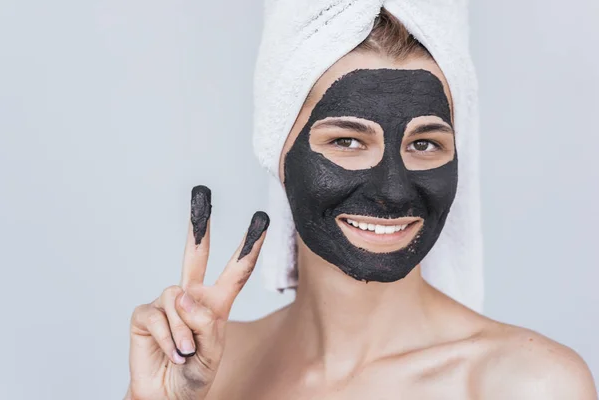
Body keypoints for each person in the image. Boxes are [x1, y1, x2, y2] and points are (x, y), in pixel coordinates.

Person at [125, 8, 597, 400]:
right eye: (348, 141)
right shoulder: (209, 370)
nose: (393, 191)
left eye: (425, 144)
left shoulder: (526, 385)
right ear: (278, 151)